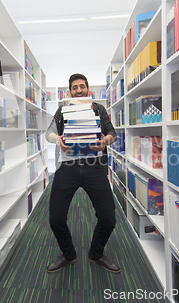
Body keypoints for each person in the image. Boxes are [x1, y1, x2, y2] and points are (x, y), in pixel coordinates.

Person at [45, 73, 120, 273]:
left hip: (94, 166)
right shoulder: (62, 111)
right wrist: (57, 139)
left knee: (108, 218)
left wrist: (105, 141)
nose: (79, 90)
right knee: (56, 219)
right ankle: (68, 254)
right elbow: (49, 132)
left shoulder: (99, 109)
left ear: (88, 89)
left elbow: (113, 133)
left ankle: (96, 253)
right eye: (75, 87)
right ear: (69, 91)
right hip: (67, 167)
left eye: (82, 86)